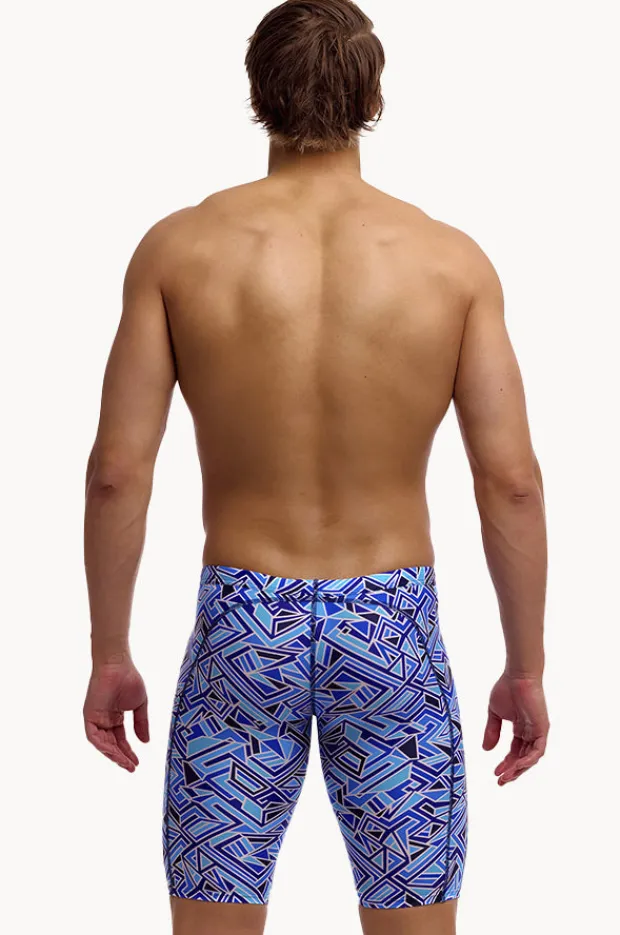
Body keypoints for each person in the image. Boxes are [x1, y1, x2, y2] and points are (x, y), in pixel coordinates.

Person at [83, 1, 549, 933]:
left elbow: (117, 472)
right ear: (373, 97)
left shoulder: (180, 250)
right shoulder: (451, 263)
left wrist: (108, 651)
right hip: (390, 628)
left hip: (242, 623)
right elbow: (511, 482)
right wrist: (526, 666)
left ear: (257, 91)